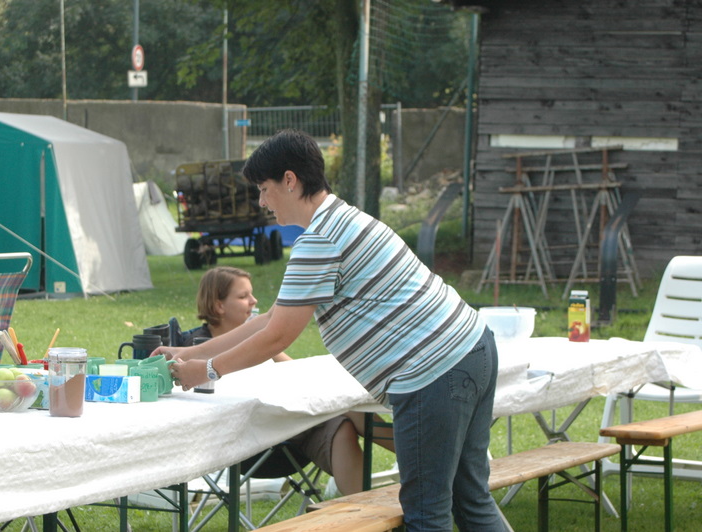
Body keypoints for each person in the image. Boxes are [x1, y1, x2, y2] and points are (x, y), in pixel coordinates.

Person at [157, 129, 503, 531]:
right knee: (471, 499)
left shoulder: (319, 240)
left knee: (427, 515)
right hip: (474, 347)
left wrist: (207, 370)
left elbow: (277, 336)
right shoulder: (343, 218)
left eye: (264, 190)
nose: (262, 202)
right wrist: (188, 354)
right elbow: (269, 319)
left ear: (290, 180)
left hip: (433, 374)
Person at [181, 265, 382, 496]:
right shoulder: (197, 349)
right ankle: (411, 453)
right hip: (242, 437)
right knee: (348, 408)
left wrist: (267, 348)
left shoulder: (259, 342)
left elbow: (296, 371)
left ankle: (363, 508)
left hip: (288, 426)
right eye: (243, 296)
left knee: (341, 422)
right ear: (219, 306)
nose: (254, 301)